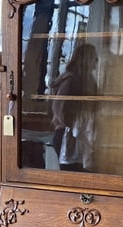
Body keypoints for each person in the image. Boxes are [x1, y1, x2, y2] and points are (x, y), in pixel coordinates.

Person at [50, 43, 98, 171]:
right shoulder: (70, 80)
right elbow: (59, 108)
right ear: (86, 59)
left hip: (81, 134)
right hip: (69, 135)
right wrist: (75, 124)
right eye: (94, 57)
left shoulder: (88, 80)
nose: (97, 61)